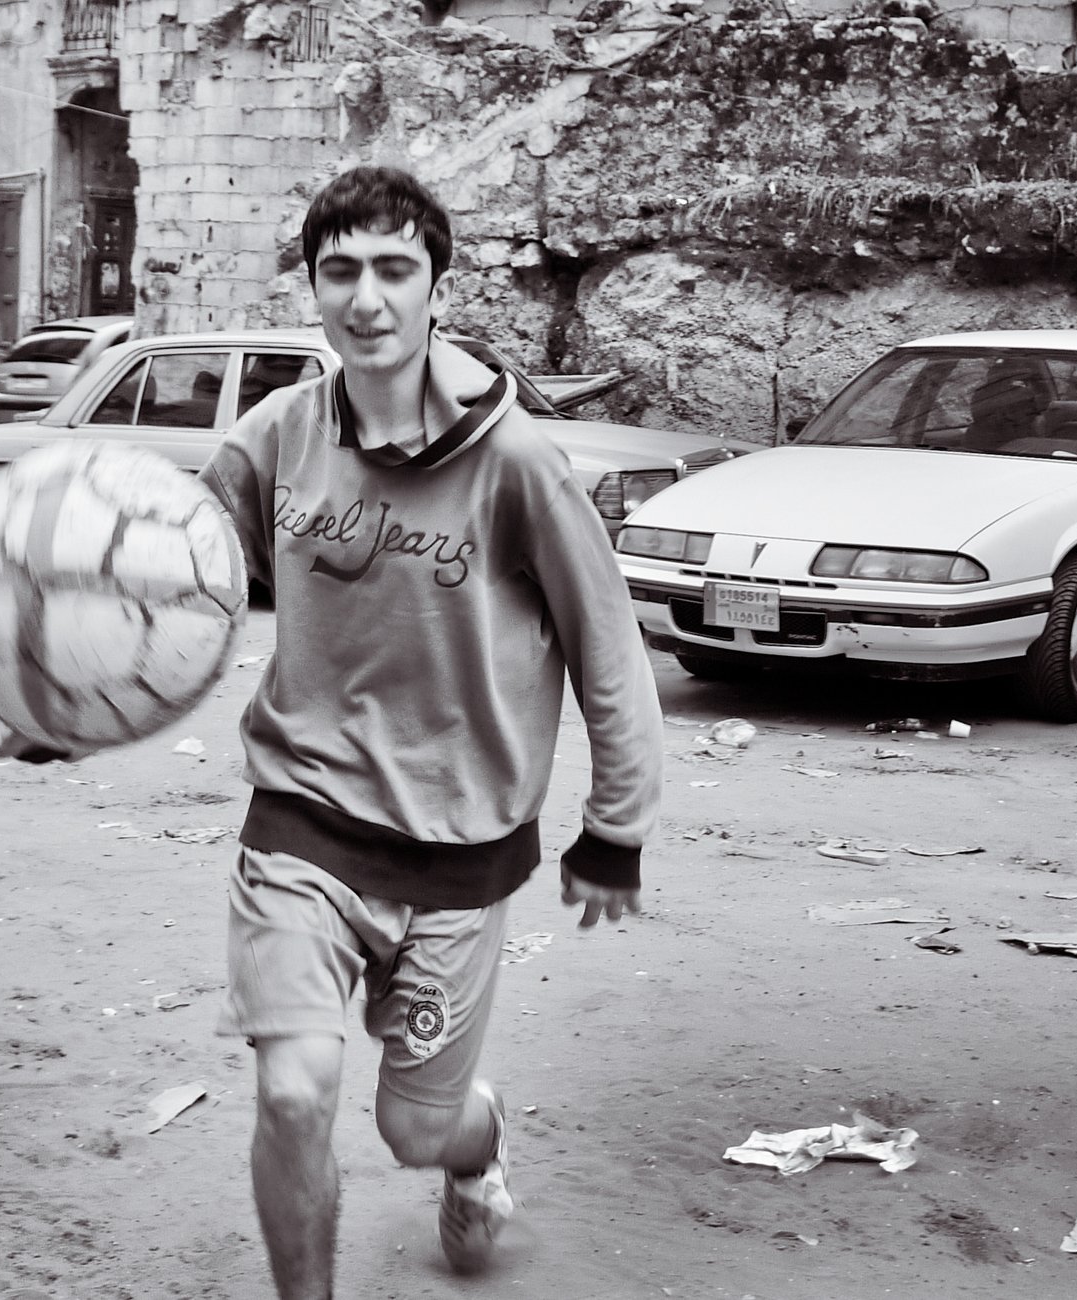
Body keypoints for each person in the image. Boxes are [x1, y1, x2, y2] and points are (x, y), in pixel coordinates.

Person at [196, 165, 662, 1299]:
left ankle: (477, 1138)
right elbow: (177, 580)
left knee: (418, 1127)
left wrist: (616, 828)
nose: (366, 298)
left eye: (394, 270)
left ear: (437, 288)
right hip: (302, 826)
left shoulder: (516, 465)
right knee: (295, 1090)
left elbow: (608, 646)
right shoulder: (276, 437)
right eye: (340, 271)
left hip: (458, 855)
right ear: (312, 287)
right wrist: (61, 697)